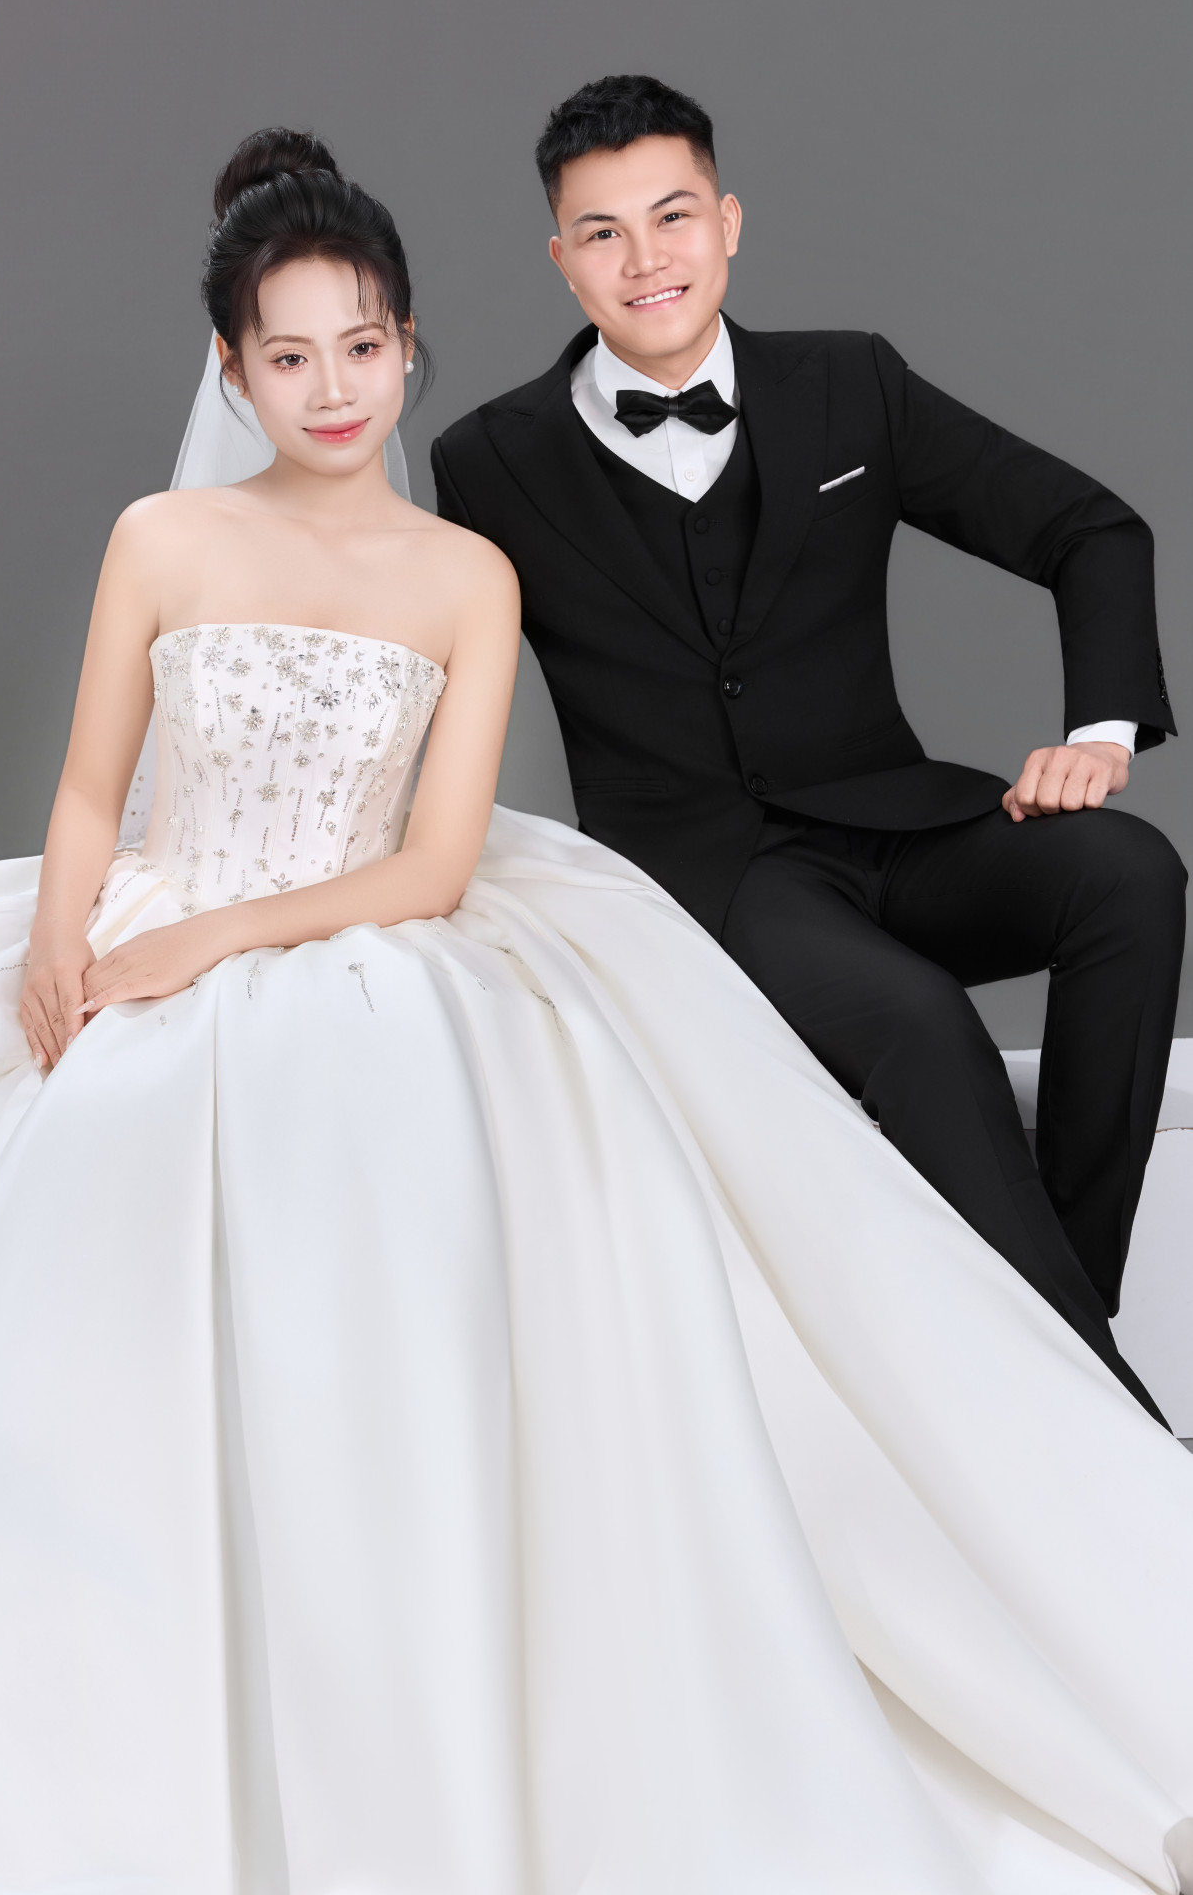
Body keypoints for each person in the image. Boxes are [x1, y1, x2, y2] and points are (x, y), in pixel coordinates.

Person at [0, 127, 1191, 1895]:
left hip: (452, 911)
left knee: (1099, 902)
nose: (331, 388)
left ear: (406, 345)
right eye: (286, 356)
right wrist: (66, 936)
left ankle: (1064, 1386)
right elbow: (97, 786)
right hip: (237, 904)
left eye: (360, 346)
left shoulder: (493, 551)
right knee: (45, 1164)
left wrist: (218, 942)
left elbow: (431, 859)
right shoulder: (210, 527)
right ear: (232, 370)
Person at [432, 73, 1186, 1422]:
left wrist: (1097, 733)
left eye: (672, 217)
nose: (644, 259)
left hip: (896, 821)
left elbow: (1089, 529)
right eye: (602, 232)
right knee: (918, 1023)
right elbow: (419, 660)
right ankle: (1114, 1417)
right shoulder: (489, 460)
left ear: (727, 223)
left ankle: (1067, 1330)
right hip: (706, 883)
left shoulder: (849, 384)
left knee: (1130, 876)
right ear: (561, 260)